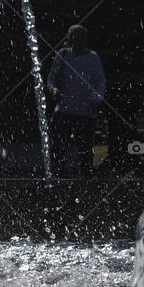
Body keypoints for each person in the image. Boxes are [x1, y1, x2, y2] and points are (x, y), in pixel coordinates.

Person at [47, 25, 106, 177]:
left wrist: (96, 101)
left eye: (80, 37)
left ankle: (85, 180)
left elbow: (100, 83)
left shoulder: (93, 57)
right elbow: (51, 78)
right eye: (74, 37)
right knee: (58, 148)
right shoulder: (63, 55)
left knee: (85, 150)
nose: (76, 40)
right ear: (69, 39)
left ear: (84, 39)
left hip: (85, 112)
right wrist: (53, 90)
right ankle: (59, 177)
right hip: (63, 110)